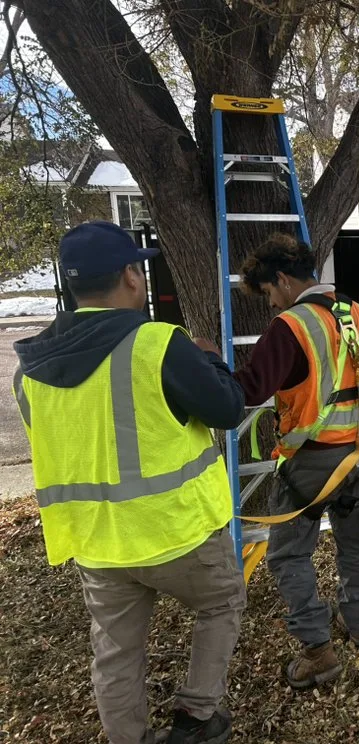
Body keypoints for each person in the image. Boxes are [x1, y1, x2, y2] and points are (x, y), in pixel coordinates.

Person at [12, 222, 247, 744]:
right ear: (130, 276)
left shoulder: (27, 371)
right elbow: (228, 410)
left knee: (116, 651)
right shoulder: (158, 344)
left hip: (97, 543)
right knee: (221, 604)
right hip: (177, 532)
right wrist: (208, 358)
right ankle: (196, 718)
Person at [234, 233, 359, 689]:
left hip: (313, 463)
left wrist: (206, 363)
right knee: (353, 541)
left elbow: (250, 390)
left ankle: (318, 651)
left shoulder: (291, 326)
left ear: (281, 279)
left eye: (268, 293)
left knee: (288, 554)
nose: (271, 304)